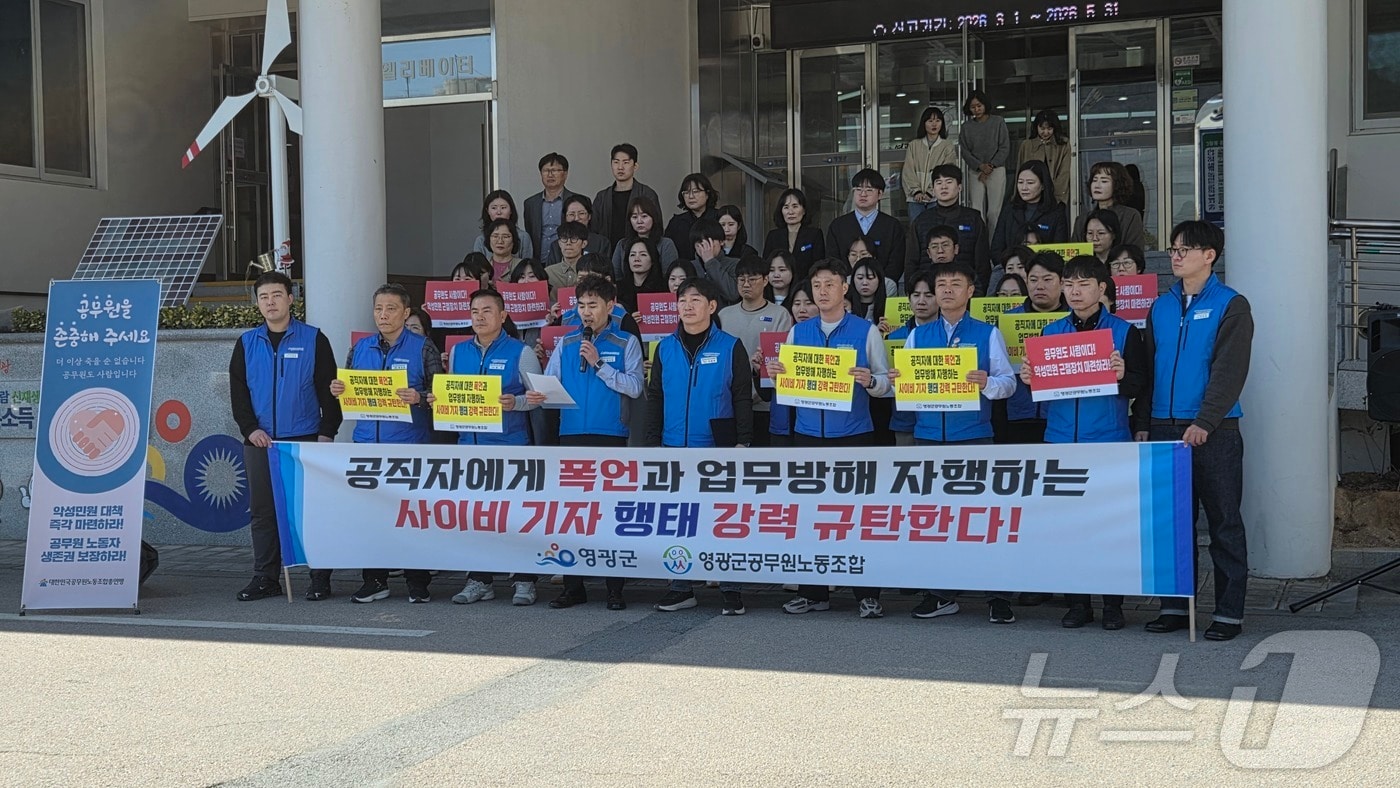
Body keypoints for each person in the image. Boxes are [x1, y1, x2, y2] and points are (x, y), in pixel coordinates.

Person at [1020, 256, 1146, 630]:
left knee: (1109, 527)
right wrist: (1030, 377)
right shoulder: (1050, 333)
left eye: (1084, 284)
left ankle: (1113, 605)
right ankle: (1077, 604)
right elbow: (1040, 392)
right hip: (1060, 440)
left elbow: (1140, 384)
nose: (1075, 291)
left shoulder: (1124, 332)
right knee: (1068, 528)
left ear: (1102, 288)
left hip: (1108, 438)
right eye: (1069, 284)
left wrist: (1125, 377)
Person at [1140, 221, 1253, 642]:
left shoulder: (1231, 304)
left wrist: (1204, 421)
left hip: (1215, 430)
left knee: (1223, 523)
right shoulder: (1160, 307)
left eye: (1185, 249)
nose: (1176, 256)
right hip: (1162, 427)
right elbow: (1149, 369)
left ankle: (1228, 613)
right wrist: (1142, 423)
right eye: (1173, 249)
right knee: (1170, 524)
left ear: (1210, 255)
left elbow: (1229, 371)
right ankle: (1174, 605)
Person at [766, 258, 892, 618]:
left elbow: (886, 385)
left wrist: (870, 381)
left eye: (829, 285)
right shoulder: (798, 332)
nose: (822, 292)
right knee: (809, 518)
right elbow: (787, 386)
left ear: (844, 288)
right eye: (817, 286)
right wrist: (776, 374)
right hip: (807, 435)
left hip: (854, 435)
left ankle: (867, 594)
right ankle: (813, 592)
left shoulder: (864, 331)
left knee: (857, 517)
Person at [892, 260, 1017, 623]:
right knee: (936, 520)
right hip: (928, 437)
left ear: (970, 291)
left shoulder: (986, 332)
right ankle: (940, 593)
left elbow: (1008, 383)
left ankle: (998, 595)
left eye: (955, 284)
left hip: (974, 436)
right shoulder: (918, 335)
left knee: (985, 518)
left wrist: (987, 384)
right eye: (941, 284)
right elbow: (905, 384)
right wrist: (900, 378)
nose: (946, 290)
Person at [229, 272, 342, 602]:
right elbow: (239, 393)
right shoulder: (247, 342)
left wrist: (326, 432)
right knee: (263, 513)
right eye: (264, 297)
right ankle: (265, 577)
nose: (270, 302)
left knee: (309, 512)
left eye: (277, 295)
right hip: (261, 442)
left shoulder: (313, 339)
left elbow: (329, 389)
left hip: (304, 440)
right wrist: (251, 429)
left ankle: (319, 576)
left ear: (291, 299)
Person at [535, 276, 646, 611]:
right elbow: (551, 383)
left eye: (593, 305)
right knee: (573, 515)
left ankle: (614, 588)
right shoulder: (567, 343)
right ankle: (573, 586)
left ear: (610, 306)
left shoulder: (625, 341)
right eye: (581, 306)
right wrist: (539, 394)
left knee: (609, 514)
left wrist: (600, 364)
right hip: (570, 433)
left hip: (610, 434)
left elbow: (635, 387)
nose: (586, 312)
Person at [646, 277, 754, 615]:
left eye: (695, 300)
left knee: (722, 521)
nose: (687, 306)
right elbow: (655, 398)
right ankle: (681, 588)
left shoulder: (730, 345)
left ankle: (731, 590)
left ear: (711, 306)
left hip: (717, 447)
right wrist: (652, 445)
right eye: (682, 300)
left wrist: (743, 440)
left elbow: (742, 396)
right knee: (679, 521)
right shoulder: (664, 347)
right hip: (673, 446)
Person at [331, 283, 442, 604]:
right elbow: (349, 391)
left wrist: (420, 397)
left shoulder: (423, 348)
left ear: (406, 312)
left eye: (391, 308)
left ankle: (417, 582)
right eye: (379, 309)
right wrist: (339, 389)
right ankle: (374, 580)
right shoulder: (360, 348)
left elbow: (441, 398)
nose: (383, 315)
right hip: (367, 444)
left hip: (409, 445)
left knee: (412, 516)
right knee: (370, 516)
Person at [438, 289, 545, 606]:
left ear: (503, 315)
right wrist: (439, 399)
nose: (480, 317)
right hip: (470, 449)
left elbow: (540, 399)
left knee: (515, 517)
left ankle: (525, 580)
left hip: (510, 447)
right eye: (474, 311)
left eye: (487, 310)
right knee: (476, 519)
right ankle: (479, 579)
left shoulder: (521, 352)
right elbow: (454, 397)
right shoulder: (458, 352)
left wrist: (517, 402)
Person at [719, 255, 794, 446]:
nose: (746, 284)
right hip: (728, 402)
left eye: (752, 279)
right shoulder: (723, 315)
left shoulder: (779, 315)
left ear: (765, 280)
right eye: (741, 279)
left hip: (764, 404)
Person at [998, 252, 1069, 445]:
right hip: (1017, 414)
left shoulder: (1074, 321)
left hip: (1061, 418)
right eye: (1033, 279)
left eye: (1047, 279)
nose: (1040, 286)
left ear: (1062, 283)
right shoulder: (1007, 320)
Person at [910, 164, 992, 293]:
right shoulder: (921, 220)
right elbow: (911, 261)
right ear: (933, 188)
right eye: (938, 182)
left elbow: (982, 262)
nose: (943, 187)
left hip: (964, 291)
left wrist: (978, 293)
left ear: (959, 187)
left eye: (949, 182)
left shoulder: (973, 218)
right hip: (928, 291)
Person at [884, 267, 940, 446]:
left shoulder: (949, 336)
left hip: (939, 421)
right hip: (905, 420)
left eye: (929, 295)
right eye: (916, 295)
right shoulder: (894, 337)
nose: (921, 301)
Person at [826, 169, 907, 285]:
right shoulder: (838, 225)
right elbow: (833, 259)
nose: (863, 194)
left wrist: (881, 284)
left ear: (880, 194)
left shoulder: (892, 226)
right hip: (846, 288)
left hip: (883, 287)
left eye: (869, 190)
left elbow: (897, 262)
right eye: (858, 189)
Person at [769, 280, 817, 448]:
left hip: (815, 424)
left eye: (808, 303)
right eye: (797, 303)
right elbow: (765, 391)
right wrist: (759, 368)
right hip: (783, 420)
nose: (802, 309)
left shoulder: (829, 340)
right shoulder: (778, 340)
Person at [991, 160, 1069, 262]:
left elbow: (1060, 249)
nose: (1024, 188)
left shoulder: (1056, 211)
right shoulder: (1009, 209)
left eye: (1030, 183)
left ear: (1043, 185)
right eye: (1020, 182)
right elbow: (996, 248)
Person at [960, 89, 1011, 236]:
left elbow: (1004, 146)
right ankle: (980, 245)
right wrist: (980, 166)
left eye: (979, 105)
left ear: (985, 105)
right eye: (973, 107)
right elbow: (964, 151)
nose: (976, 109)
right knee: (977, 211)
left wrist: (990, 166)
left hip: (996, 170)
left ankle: (993, 246)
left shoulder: (998, 121)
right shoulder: (966, 127)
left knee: (994, 212)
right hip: (975, 171)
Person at [591, 143, 661, 247]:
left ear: (635, 166)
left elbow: (657, 228)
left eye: (626, 162)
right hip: (607, 254)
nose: (620, 167)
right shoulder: (602, 197)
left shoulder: (647, 194)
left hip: (639, 253)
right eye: (616, 162)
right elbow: (594, 230)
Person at [902, 106, 958, 223]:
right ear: (924, 123)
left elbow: (947, 171)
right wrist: (916, 191)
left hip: (937, 198)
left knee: (937, 230)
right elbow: (908, 171)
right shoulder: (914, 145)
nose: (934, 124)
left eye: (938, 121)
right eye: (930, 121)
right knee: (917, 230)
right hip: (915, 199)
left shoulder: (947, 146)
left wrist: (931, 192)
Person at [1074, 162, 1147, 249]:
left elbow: (1134, 252)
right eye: (1094, 180)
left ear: (1117, 185)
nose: (1097, 185)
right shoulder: (1082, 219)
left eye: (1104, 181)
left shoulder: (1130, 216)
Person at [762, 187, 826, 281]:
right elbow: (766, 265)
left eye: (795, 206)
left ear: (803, 210)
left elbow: (818, 265)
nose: (790, 212)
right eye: (786, 207)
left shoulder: (814, 235)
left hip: (805, 287)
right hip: (778, 286)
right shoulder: (773, 236)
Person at [610, 195, 680, 278]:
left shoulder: (665, 244)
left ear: (653, 218)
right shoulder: (622, 244)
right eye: (634, 217)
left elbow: (670, 276)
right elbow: (616, 276)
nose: (639, 221)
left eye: (644, 216)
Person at [524, 152, 573, 264]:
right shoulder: (530, 203)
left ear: (565, 174)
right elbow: (530, 232)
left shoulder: (576, 201)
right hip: (538, 262)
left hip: (565, 262)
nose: (550, 175)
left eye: (555, 170)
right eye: (546, 171)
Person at [1016, 110, 1071, 205]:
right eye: (1042, 128)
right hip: (1031, 195)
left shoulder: (1064, 144)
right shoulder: (1027, 145)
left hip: (1055, 196)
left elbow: (1064, 173)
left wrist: (1057, 197)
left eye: (1049, 128)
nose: (1045, 132)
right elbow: (1019, 170)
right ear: (1036, 127)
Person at [545, 194, 611, 265]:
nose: (576, 218)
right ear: (565, 217)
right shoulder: (556, 245)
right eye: (571, 214)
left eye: (581, 213)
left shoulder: (601, 243)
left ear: (589, 216)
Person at [665, 173, 720, 253]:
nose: (691, 196)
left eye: (696, 191)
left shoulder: (719, 217)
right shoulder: (676, 222)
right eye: (686, 193)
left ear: (707, 194)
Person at [473, 190, 534, 262]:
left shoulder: (523, 237)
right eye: (494, 208)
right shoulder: (480, 240)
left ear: (511, 210)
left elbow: (528, 266)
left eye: (503, 207)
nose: (499, 212)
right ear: (487, 211)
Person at [690, 217, 740, 305]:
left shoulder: (735, 264)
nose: (704, 246)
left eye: (709, 241)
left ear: (721, 242)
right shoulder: (690, 266)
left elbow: (733, 294)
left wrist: (710, 261)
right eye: (699, 242)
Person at [616, 236, 668, 317]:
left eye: (643, 254)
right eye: (632, 255)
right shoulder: (617, 289)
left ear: (653, 260)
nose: (636, 259)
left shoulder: (663, 288)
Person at [545, 221, 590, 293]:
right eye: (564, 238)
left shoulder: (591, 272)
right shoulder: (548, 273)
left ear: (584, 244)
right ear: (559, 243)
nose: (568, 243)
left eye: (574, 238)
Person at [850, 258, 888, 325]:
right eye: (860, 278)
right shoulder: (845, 306)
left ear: (880, 280)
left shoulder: (888, 308)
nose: (864, 283)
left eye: (870, 278)